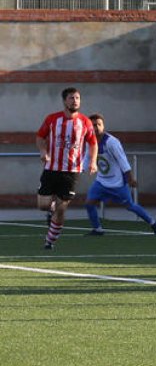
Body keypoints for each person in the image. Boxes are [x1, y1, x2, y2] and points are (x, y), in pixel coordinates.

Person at [35, 87, 99, 249]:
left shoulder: (85, 122)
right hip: (51, 168)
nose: (75, 101)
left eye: (77, 98)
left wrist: (92, 161)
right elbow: (40, 136)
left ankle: (49, 242)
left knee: (62, 208)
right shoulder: (52, 119)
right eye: (71, 98)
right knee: (43, 205)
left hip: (71, 171)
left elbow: (92, 142)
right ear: (65, 101)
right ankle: (50, 209)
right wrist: (43, 151)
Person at [82, 114, 156, 236]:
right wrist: (77, 170)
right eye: (93, 125)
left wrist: (130, 179)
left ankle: (153, 223)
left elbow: (122, 160)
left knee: (130, 206)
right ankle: (97, 229)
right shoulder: (89, 141)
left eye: (99, 124)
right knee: (89, 203)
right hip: (101, 182)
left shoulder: (112, 142)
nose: (96, 127)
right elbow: (87, 158)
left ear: (103, 126)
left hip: (117, 183)